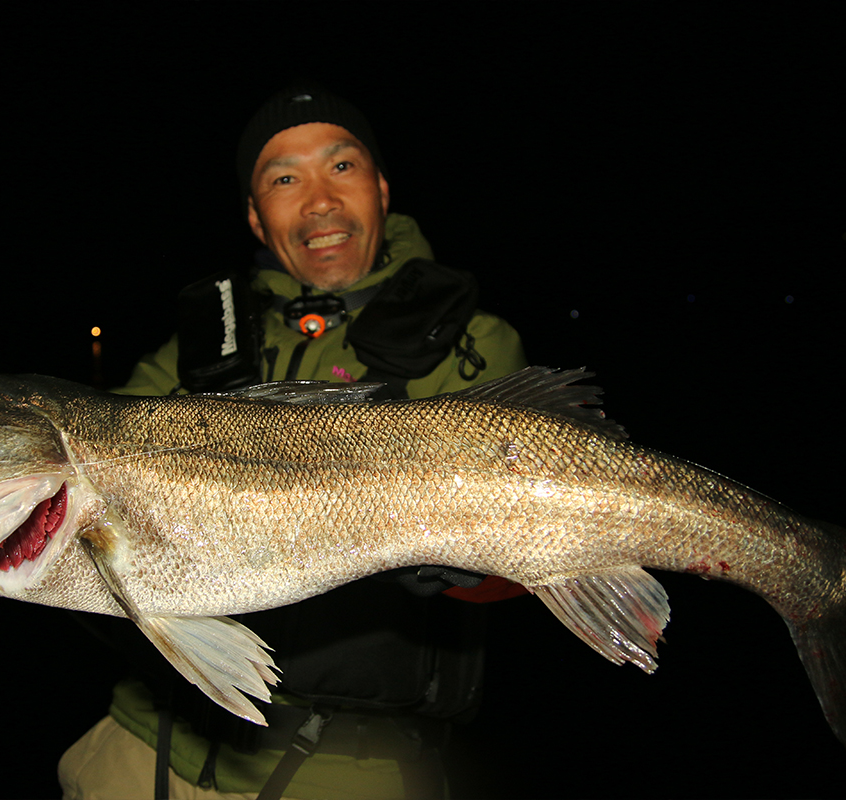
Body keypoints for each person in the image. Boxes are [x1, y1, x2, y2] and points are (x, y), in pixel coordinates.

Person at [58, 85, 529, 800]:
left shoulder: (474, 345)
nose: (318, 200)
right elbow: (67, 480)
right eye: (284, 178)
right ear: (255, 216)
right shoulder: (193, 350)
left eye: (341, 167)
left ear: (381, 188)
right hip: (150, 741)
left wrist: (473, 573)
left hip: (348, 767)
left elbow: (530, 554)